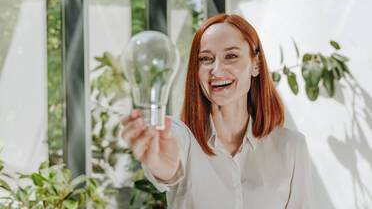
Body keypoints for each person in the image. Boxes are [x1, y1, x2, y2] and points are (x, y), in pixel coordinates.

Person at [121, 14, 311, 209]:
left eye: (231, 56)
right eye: (206, 59)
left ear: (256, 64)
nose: (216, 70)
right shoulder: (182, 138)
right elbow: (168, 164)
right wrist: (164, 166)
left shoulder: (291, 146)